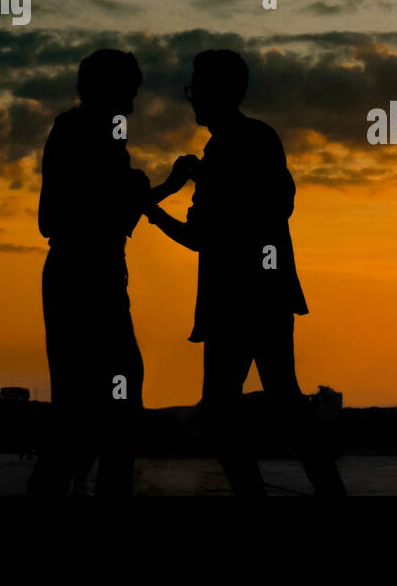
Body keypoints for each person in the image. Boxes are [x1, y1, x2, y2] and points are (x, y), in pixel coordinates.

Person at [144, 49, 344, 496]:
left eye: (198, 90)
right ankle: (327, 492)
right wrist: (196, 187)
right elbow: (268, 208)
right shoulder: (254, 139)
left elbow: (209, 234)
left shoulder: (228, 148)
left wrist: (158, 205)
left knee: (225, 412)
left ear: (220, 92)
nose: (192, 100)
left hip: (233, 300)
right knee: (283, 402)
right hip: (266, 294)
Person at [28, 49, 154, 496]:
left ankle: (64, 480)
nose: (133, 108)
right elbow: (89, 217)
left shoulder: (73, 131)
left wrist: (140, 192)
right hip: (88, 279)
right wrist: (140, 191)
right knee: (114, 399)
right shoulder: (89, 132)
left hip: (78, 276)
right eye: (129, 95)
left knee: (81, 402)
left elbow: (78, 215)